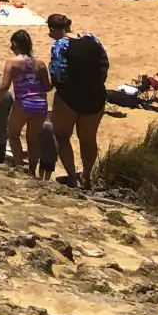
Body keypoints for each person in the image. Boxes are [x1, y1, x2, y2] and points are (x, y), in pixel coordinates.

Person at [47, 14, 109, 188]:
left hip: (70, 97)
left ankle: (73, 178)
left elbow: (58, 72)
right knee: (88, 139)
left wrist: (57, 86)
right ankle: (87, 177)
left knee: (62, 136)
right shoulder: (91, 39)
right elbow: (104, 63)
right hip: (95, 95)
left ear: (53, 29)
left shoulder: (60, 45)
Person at [0, 29, 51, 175]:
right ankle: (32, 170)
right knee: (33, 140)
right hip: (40, 104)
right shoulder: (40, 63)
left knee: (13, 135)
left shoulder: (12, 62)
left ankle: (19, 166)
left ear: (15, 44)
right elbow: (47, 87)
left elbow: (5, 85)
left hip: (23, 103)